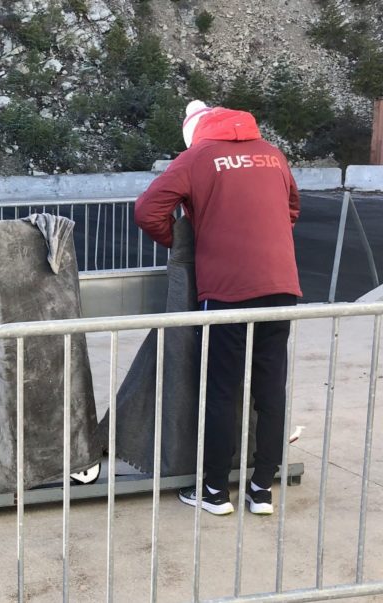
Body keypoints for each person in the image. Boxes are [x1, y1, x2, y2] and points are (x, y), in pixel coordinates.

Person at [134, 100, 302, 516]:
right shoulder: (272, 154)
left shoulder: (197, 158)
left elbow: (147, 211)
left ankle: (213, 491)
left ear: (195, 132)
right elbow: (292, 207)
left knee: (223, 390)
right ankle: (262, 489)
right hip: (280, 285)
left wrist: (185, 242)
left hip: (227, 291)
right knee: (270, 388)